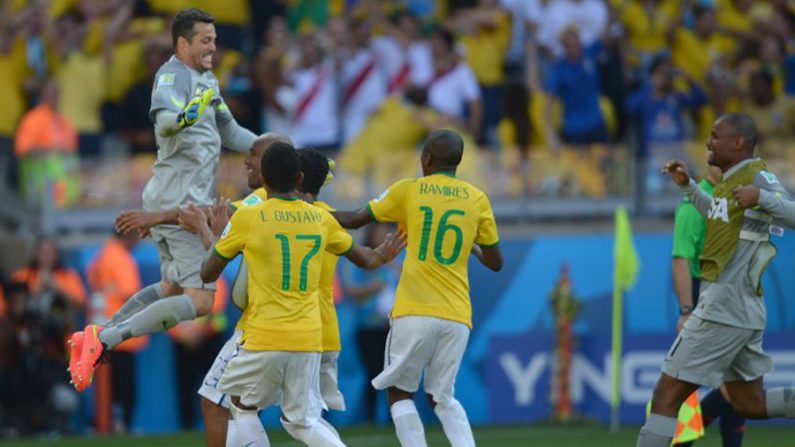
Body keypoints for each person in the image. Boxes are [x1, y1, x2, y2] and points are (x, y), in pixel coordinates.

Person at [68, 7, 257, 392]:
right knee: (202, 302)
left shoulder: (207, 80)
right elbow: (168, 121)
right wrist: (191, 110)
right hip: (181, 201)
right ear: (183, 42)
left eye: (215, 39)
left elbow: (232, 133)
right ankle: (105, 340)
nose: (213, 46)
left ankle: (98, 333)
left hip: (179, 196)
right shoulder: (171, 76)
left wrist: (272, 148)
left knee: (172, 287)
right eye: (205, 39)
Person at [200, 142, 405, 447]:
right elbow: (367, 260)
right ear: (298, 179)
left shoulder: (249, 217)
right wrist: (384, 255)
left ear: (263, 179)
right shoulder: (321, 219)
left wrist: (216, 235)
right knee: (302, 421)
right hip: (309, 336)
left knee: (238, 407)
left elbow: (207, 273)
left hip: (264, 335)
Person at [115, 132, 288, 446]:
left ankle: (111, 334)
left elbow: (213, 266)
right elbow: (350, 221)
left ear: (274, 163)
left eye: (254, 155)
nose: (246, 161)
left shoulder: (259, 208)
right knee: (244, 411)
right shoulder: (302, 209)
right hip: (293, 326)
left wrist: (208, 233)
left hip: (263, 327)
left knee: (225, 405)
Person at [333, 129, 503, 447]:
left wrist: (314, 214)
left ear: (426, 158)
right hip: (457, 315)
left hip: (414, 311)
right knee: (442, 397)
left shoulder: (410, 190)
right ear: (458, 162)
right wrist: (472, 244)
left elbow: (355, 219)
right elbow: (496, 262)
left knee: (399, 392)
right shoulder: (477, 199)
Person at [637, 113, 795, 447]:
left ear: (738, 142)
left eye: (714, 135)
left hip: (722, 308)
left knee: (665, 396)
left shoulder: (758, 176)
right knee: (750, 404)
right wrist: (689, 187)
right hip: (742, 309)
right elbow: (718, 217)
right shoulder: (728, 180)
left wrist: (763, 198)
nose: (707, 142)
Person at [672, 162, 747, 447]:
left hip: (732, 296)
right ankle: (682, 439)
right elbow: (681, 259)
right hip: (705, 297)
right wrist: (685, 310)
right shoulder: (692, 206)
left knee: (738, 381)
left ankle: (685, 438)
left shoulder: (737, 200)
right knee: (736, 384)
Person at [85, 230, 147, 433]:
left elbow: (92, 278)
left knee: (107, 387)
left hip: (102, 333)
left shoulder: (101, 255)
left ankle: (105, 424)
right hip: (122, 335)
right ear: (127, 236)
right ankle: (120, 426)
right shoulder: (121, 257)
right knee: (124, 387)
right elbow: (132, 294)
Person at [340, 223, 399, 423]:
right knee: (373, 372)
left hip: (395, 326)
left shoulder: (399, 258)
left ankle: (397, 418)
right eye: (379, 232)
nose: (383, 236)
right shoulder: (360, 257)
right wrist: (373, 287)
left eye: (387, 232)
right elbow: (351, 290)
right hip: (368, 325)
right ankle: (371, 419)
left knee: (397, 374)